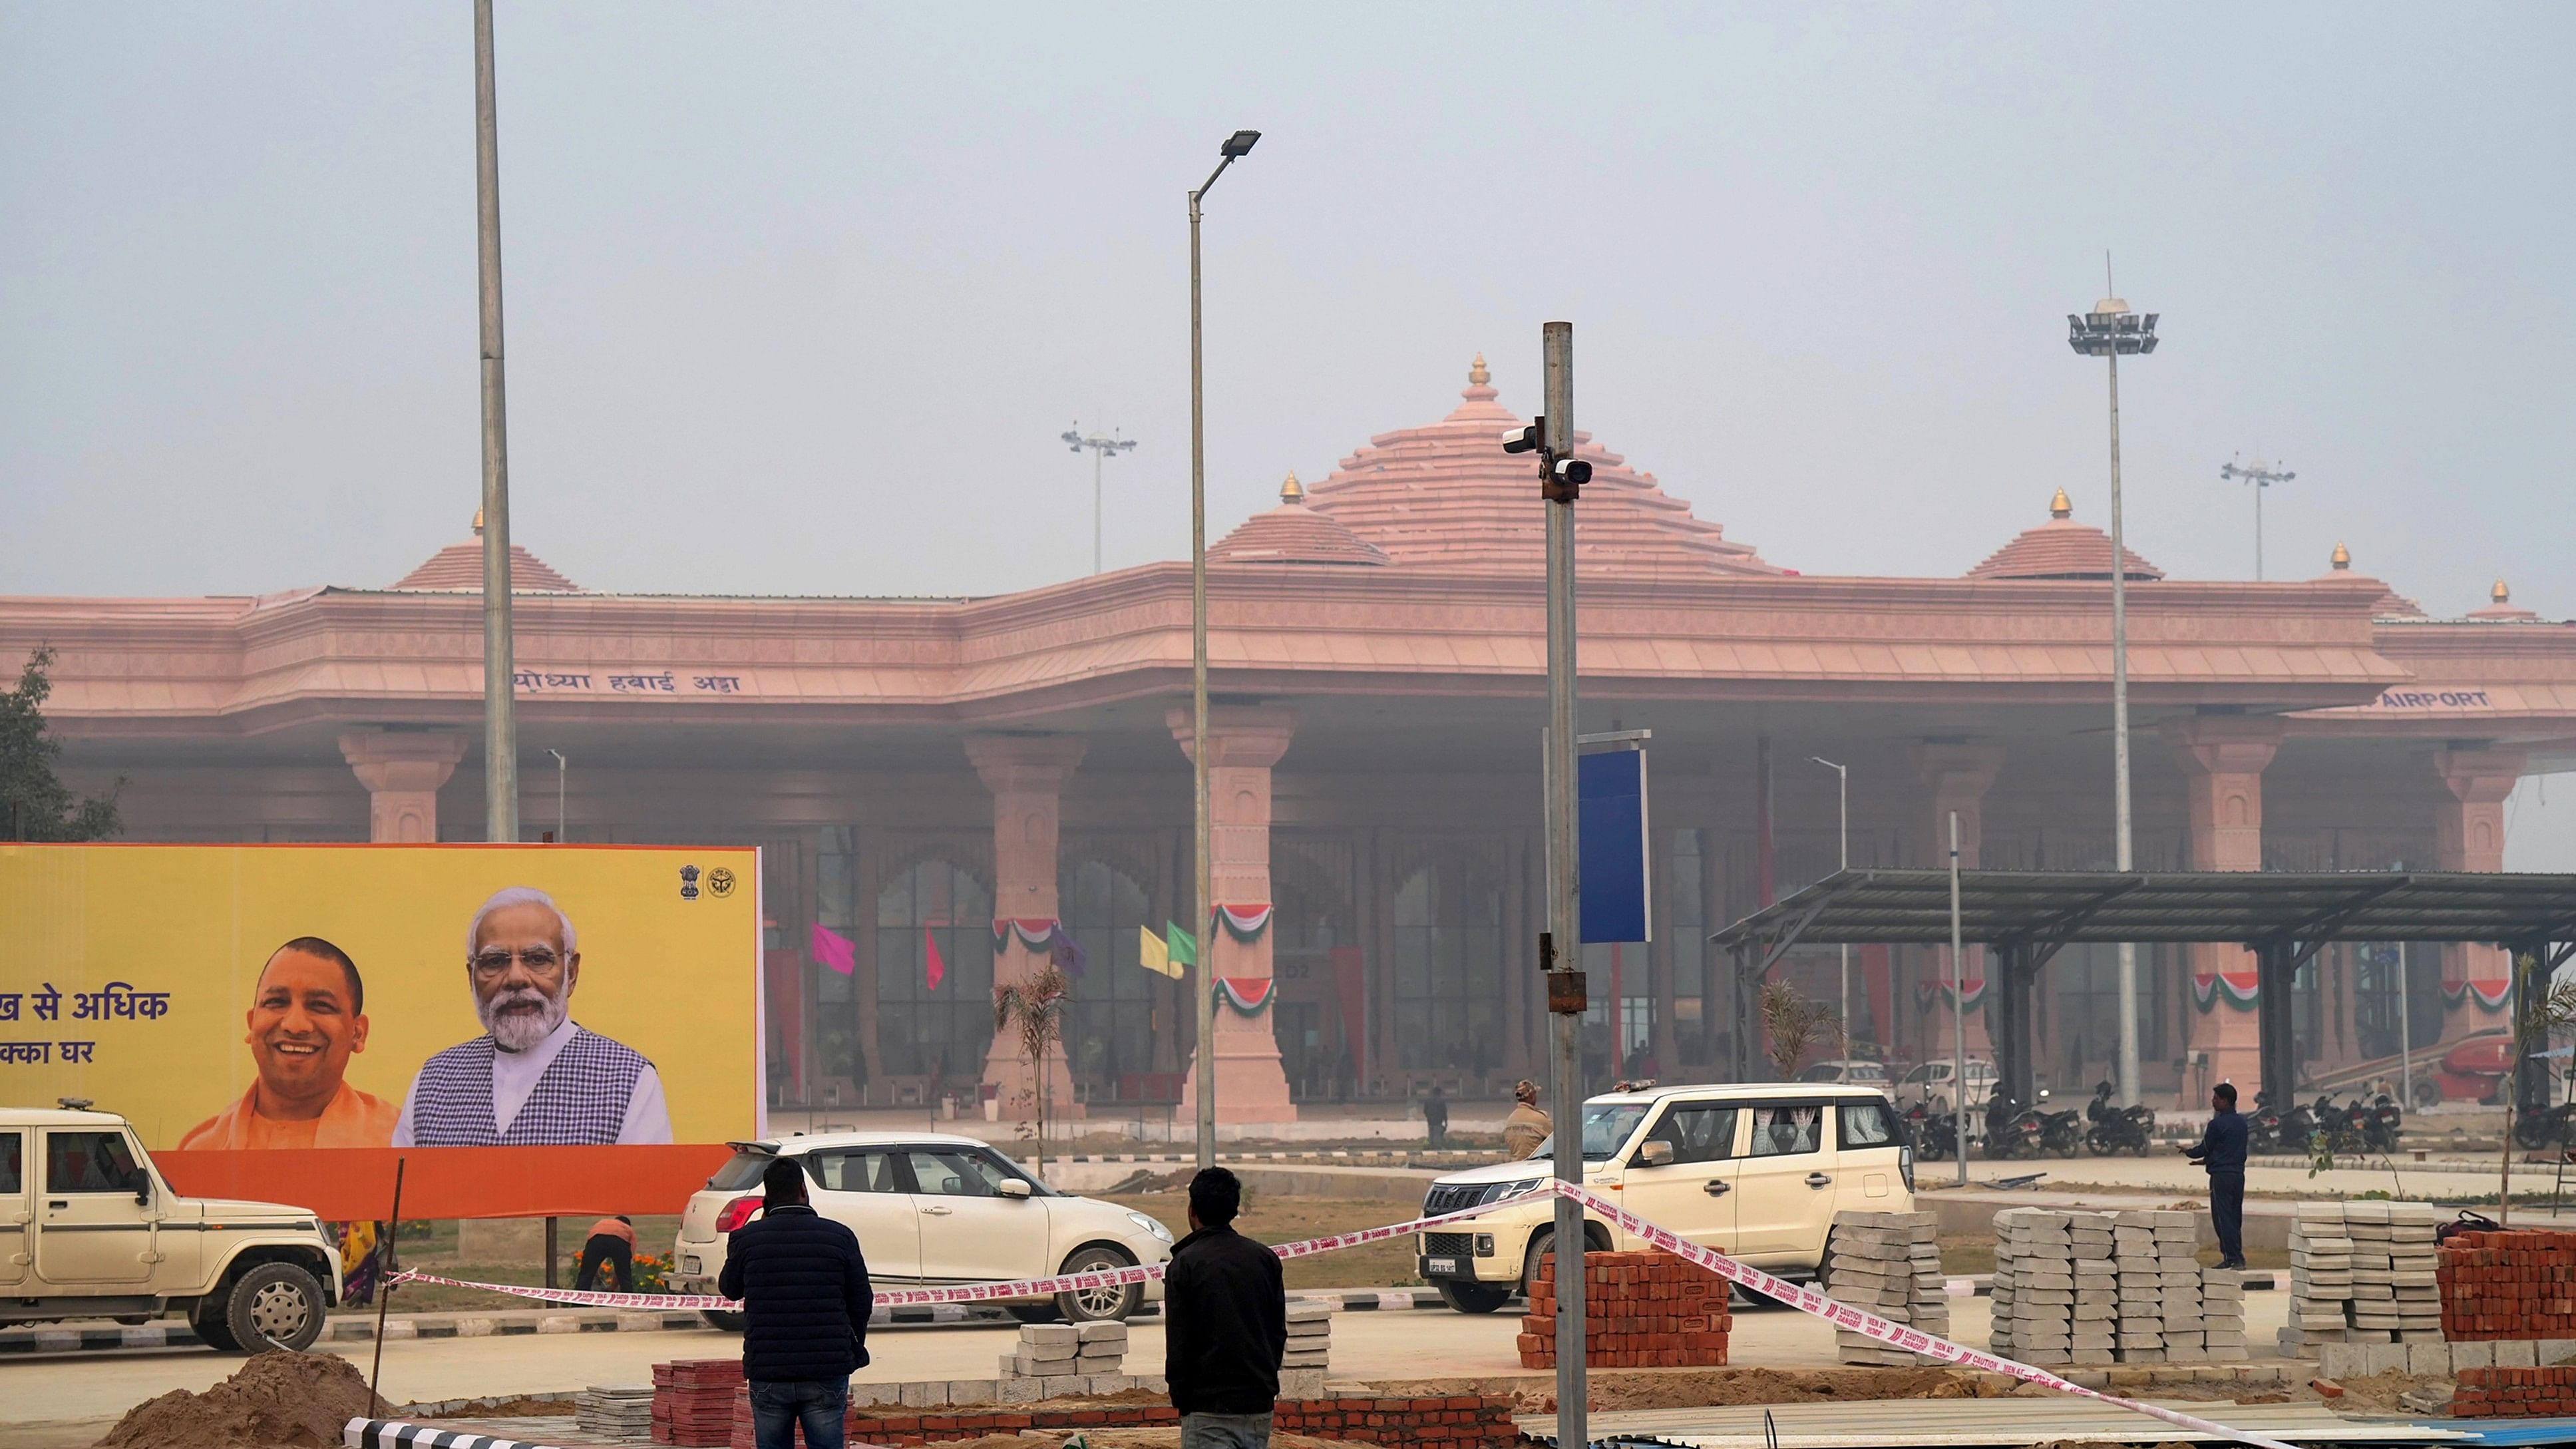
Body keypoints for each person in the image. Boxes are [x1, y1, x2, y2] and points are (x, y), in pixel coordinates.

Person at [396, 887, 673, 1145]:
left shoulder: (628, 1081)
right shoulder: (432, 1084)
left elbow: (646, 1197)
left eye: (538, 959)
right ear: (472, 978)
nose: (516, 978)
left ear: (571, 973)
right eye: (495, 962)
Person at [180, 937, 400, 1149]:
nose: (295, 1025)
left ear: (358, 1033)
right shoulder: (202, 1149)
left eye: (320, 1005)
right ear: (252, 1023)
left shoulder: (398, 1142)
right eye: (277, 1002)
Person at [719, 1157, 872, 1449]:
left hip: (768, 1369)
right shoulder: (839, 1236)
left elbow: (730, 1289)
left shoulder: (747, 1240)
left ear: (767, 1198)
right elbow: (862, 1301)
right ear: (804, 1190)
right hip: (826, 1367)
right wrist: (851, 1346)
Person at [1166, 1167, 1286, 1449]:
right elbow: (1276, 1334)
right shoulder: (1265, 1260)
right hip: (1258, 1408)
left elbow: (1178, 1343)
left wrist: (1183, 1401)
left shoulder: (1185, 1265)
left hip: (1208, 1412)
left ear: (1192, 1210)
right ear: (1234, 1209)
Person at [2182, 1081, 2249, 1269]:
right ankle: (2238, 1257)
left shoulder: (2216, 1124)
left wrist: (2189, 1152)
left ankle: (2231, 1258)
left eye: (2216, 1098)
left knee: (2222, 1218)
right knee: (2235, 1217)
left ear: (2225, 1101)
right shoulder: (2242, 1122)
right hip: (2238, 1175)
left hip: (2221, 1177)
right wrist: (2205, 1161)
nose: (2213, 1101)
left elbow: (2205, 1148)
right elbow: (2228, 1151)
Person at [576, 1214, 637, 1291]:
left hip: (596, 1239)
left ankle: (579, 1302)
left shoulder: (601, 1223)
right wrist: (612, 1287)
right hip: (619, 1242)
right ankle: (628, 1302)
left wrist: (595, 1271)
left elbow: (589, 1257)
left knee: (585, 1276)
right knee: (625, 1278)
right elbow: (624, 1265)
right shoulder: (629, 1229)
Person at [1502, 1080, 1551, 1161]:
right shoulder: (1539, 1119)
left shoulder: (1510, 1119)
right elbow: (1558, 1140)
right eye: (1535, 1094)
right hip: (1535, 1167)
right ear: (1531, 1096)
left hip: (1515, 1167)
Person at [1422, 1085, 1449, 1150]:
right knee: (1437, 1139)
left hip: (1430, 1122)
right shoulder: (1441, 1101)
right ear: (1439, 1093)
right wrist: (1445, 1122)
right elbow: (1444, 1112)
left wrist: (1428, 1117)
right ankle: (1437, 1151)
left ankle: (1431, 1150)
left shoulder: (1428, 1100)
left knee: (1431, 1138)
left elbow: (1425, 1111)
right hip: (1438, 1122)